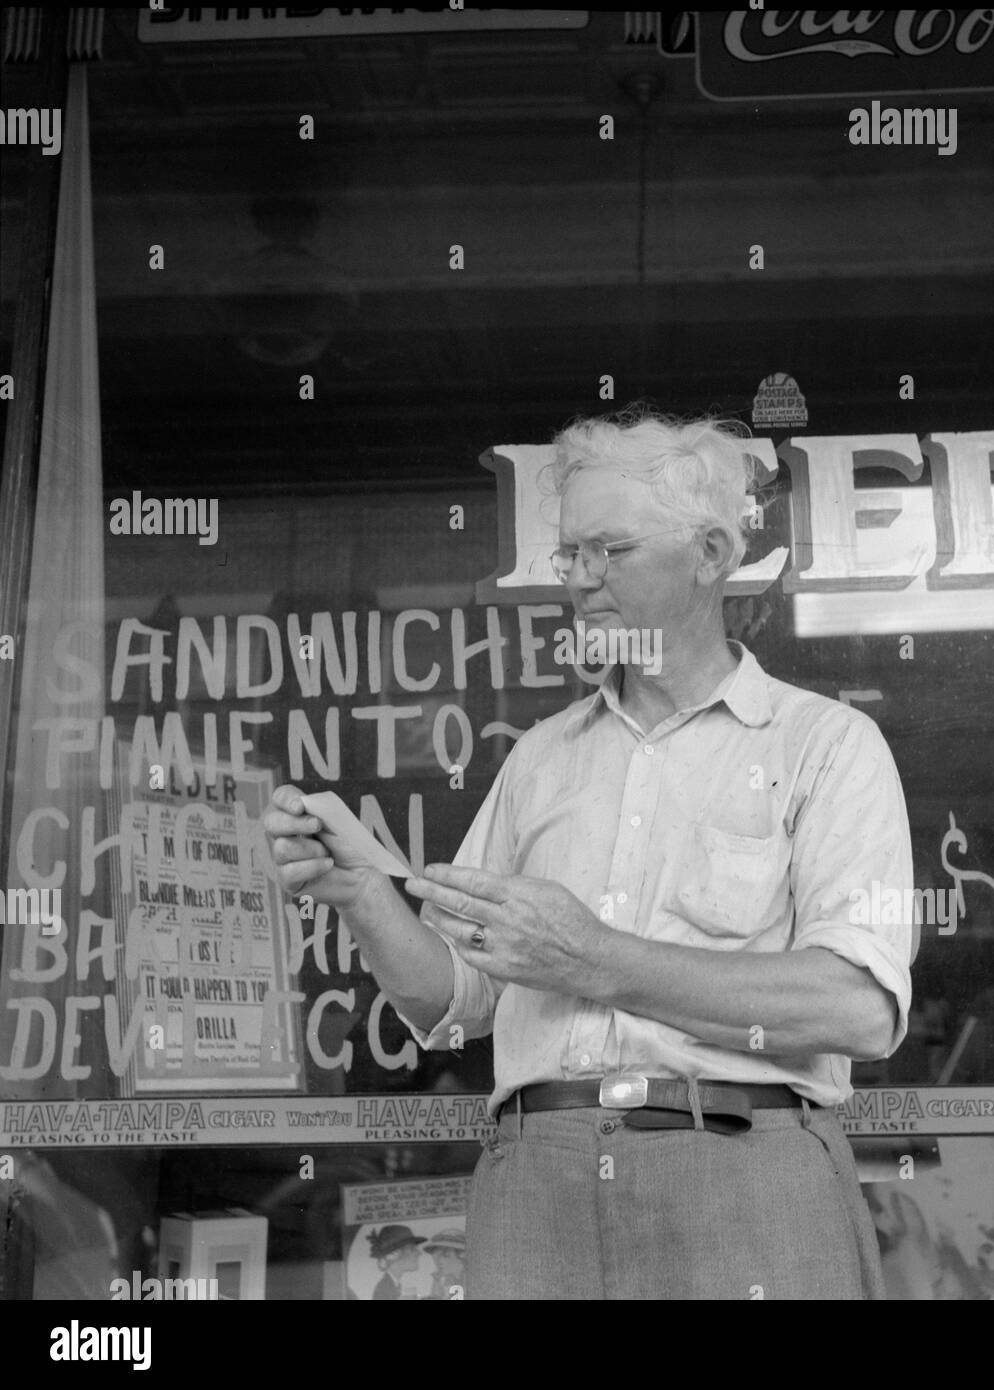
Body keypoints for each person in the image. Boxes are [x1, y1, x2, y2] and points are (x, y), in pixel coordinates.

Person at [263, 407, 914, 1299]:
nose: (580, 581)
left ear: (712, 556)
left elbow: (857, 1009)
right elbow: (456, 1005)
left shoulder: (824, 745)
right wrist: (362, 895)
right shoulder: (541, 758)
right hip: (539, 1182)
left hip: (744, 1171)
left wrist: (599, 960)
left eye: (611, 551)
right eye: (570, 556)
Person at [366, 1225, 425, 1300]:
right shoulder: (384, 1289)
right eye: (412, 1249)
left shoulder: (394, 1285)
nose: (419, 1253)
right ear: (395, 1254)